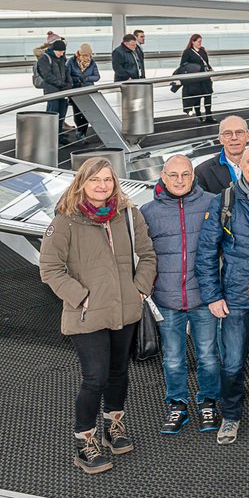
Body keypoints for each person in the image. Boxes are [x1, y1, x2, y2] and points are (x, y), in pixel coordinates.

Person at [39, 158, 156, 474]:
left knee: (119, 372)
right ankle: (85, 442)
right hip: (86, 314)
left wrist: (139, 289)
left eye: (107, 179)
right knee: (95, 377)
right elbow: (50, 268)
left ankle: (113, 426)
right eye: (95, 180)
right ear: (82, 182)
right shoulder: (65, 221)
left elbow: (147, 255)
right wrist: (81, 297)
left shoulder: (128, 215)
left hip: (125, 310)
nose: (102, 185)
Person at [196, 144, 249, 445]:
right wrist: (212, 295)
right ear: (241, 165)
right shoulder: (225, 201)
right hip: (235, 295)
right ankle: (231, 415)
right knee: (232, 362)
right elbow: (206, 252)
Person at [142, 155, 220, 435]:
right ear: (163, 177)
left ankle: (208, 401)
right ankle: (177, 404)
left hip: (203, 297)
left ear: (193, 176)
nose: (179, 180)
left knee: (208, 355)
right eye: (173, 175)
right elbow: (143, 255)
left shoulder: (211, 203)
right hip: (167, 299)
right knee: (173, 357)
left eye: (185, 174)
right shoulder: (148, 212)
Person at [194, 116, 249, 194]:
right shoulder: (203, 172)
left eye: (239, 132)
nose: (234, 138)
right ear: (220, 139)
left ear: (248, 136)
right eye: (228, 133)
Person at [37, 38, 70, 142]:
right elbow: (47, 76)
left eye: (63, 51)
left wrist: (69, 83)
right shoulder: (44, 59)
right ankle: (50, 137)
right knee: (52, 114)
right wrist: (62, 84)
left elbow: (66, 71)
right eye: (60, 51)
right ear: (54, 50)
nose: (62, 53)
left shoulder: (62, 58)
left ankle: (59, 135)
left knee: (61, 115)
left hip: (62, 91)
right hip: (52, 91)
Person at [178, 34, 214, 123]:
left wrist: (210, 69)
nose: (200, 43)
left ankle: (209, 116)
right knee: (197, 97)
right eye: (198, 41)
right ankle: (199, 116)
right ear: (193, 42)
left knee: (208, 96)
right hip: (196, 79)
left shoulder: (202, 50)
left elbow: (206, 62)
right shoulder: (187, 52)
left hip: (205, 77)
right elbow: (183, 65)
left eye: (201, 41)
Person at [66, 43, 100, 137]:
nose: (88, 58)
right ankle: (79, 131)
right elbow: (67, 76)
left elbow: (97, 76)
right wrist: (77, 79)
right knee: (77, 113)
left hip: (88, 91)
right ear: (80, 55)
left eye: (89, 56)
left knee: (87, 113)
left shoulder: (92, 63)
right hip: (76, 91)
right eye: (85, 56)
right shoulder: (71, 62)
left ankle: (83, 133)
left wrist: (87, 78)